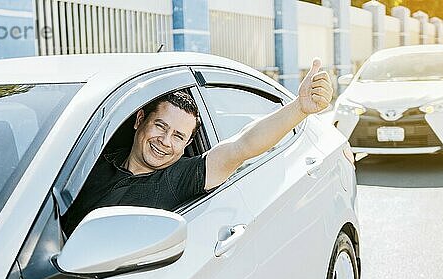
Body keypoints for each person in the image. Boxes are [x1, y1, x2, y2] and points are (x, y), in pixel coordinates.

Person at [62, 59, 333, 235]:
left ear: (187, 144)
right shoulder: (93, 157)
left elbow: (242, 145)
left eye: (179, 136)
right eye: (160, 126)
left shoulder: (179, 178)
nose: (166, 142)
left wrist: (299, 108)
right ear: (140, 120)